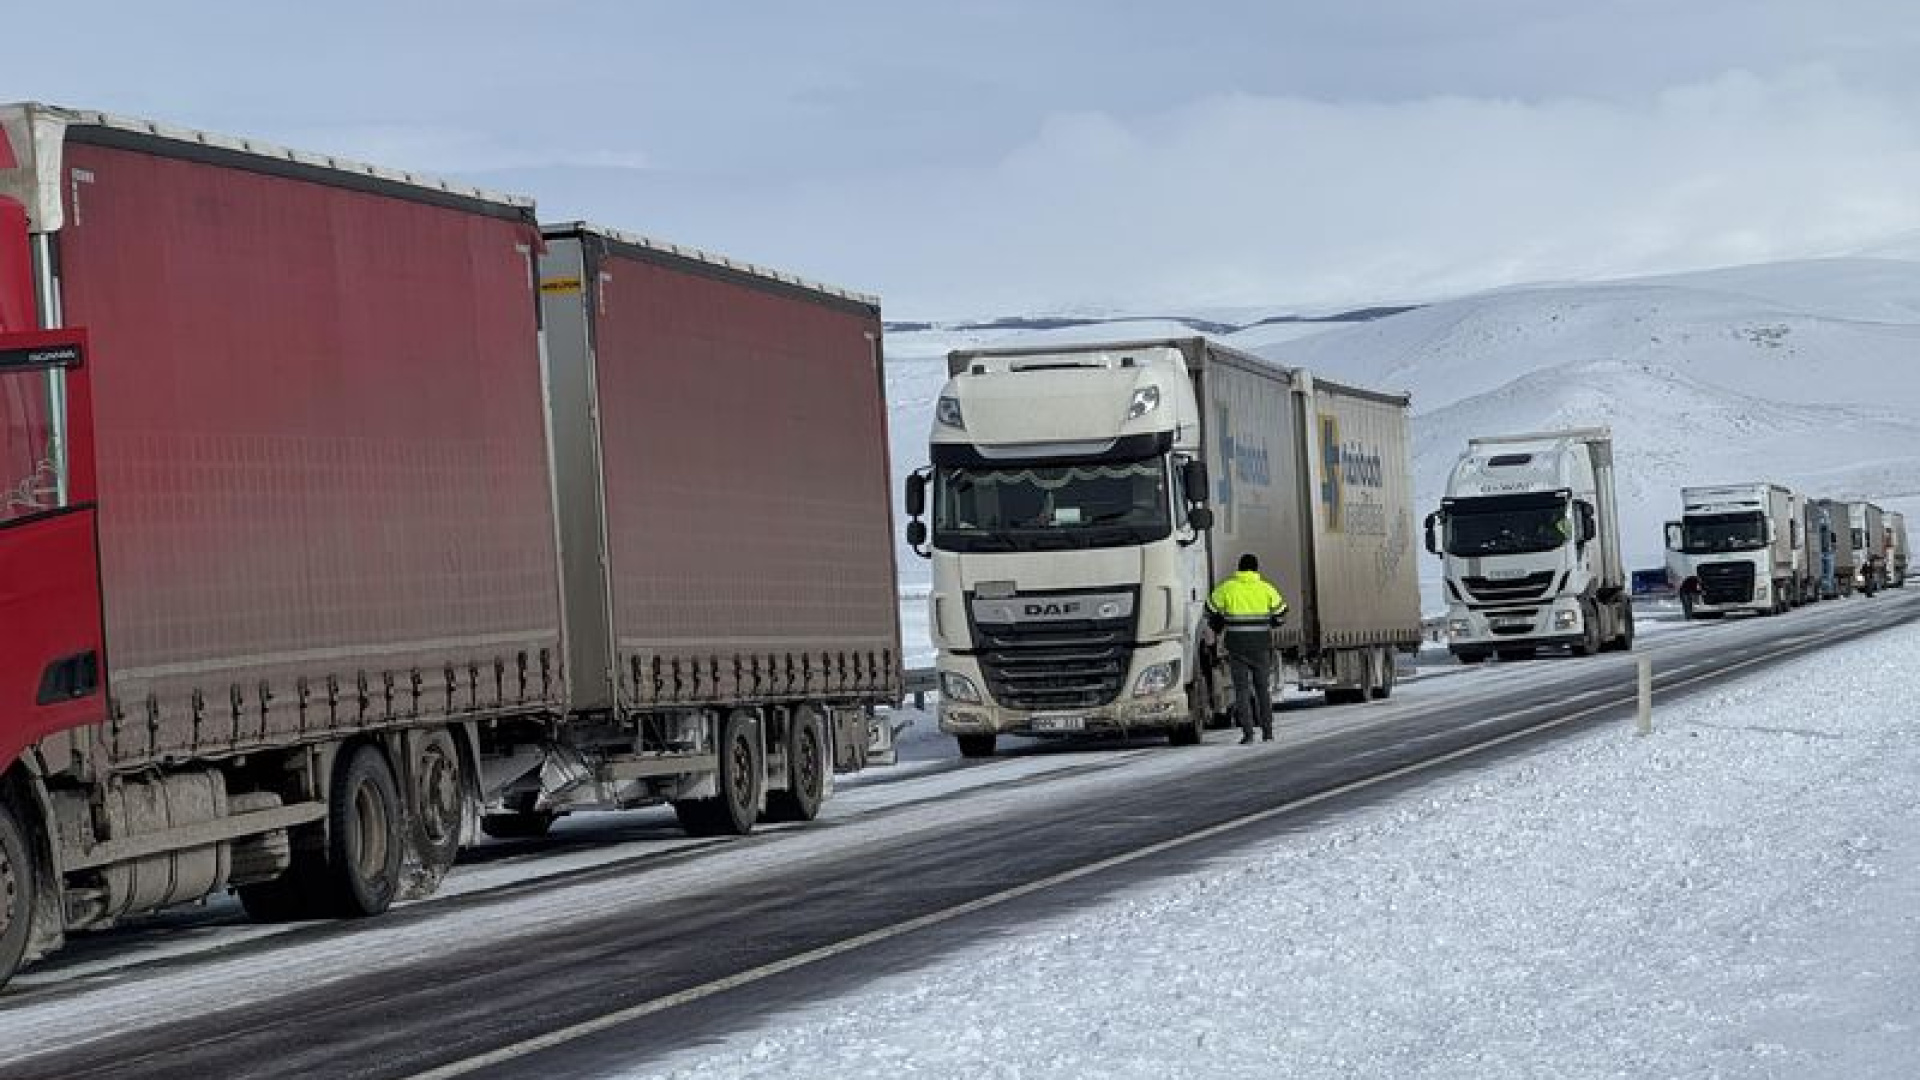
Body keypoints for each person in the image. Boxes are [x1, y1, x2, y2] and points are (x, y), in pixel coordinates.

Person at [1207, 553, 1290, 744]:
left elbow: (1209, 610)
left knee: (1242, 691)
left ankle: (1248, 734)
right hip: (1261, 646)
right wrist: (1270, 624)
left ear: (1239, 568)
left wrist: (1220, 622)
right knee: (1263, 690)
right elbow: (1282, 614)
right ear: (1256, 569)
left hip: (1236, 647)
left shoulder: (1227, 589)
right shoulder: (1266, 588)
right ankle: (1268, 732)